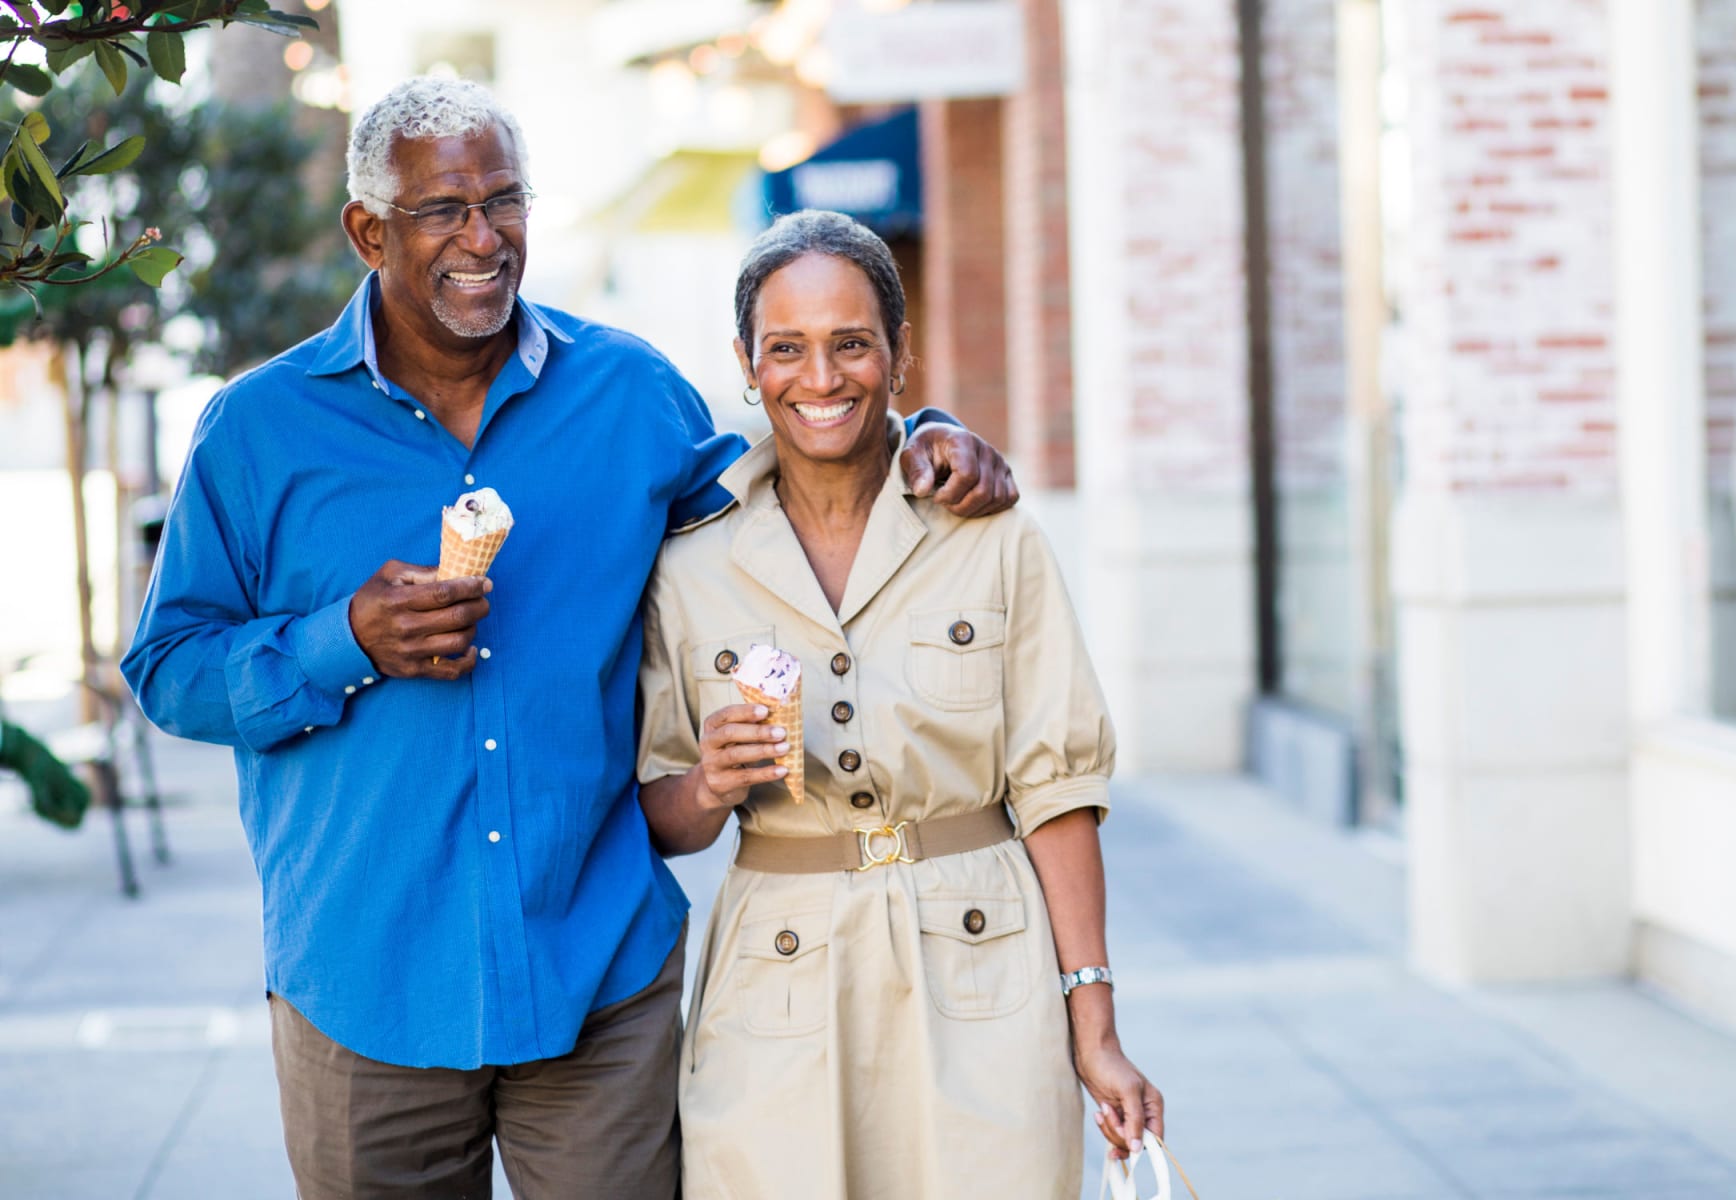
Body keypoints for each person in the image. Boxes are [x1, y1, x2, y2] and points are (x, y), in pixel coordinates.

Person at [120, 79, 1014, 1199]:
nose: (482, 239)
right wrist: (340, 639)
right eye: (442, 210)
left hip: (596, 973)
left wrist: (923, 430)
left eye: (504, 202)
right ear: (367, 231)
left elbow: (787, 488)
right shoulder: (258, 428)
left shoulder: (628, 394)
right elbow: (167, 670)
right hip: (366, 981)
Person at [637, 209, 1162, 1198]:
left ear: (900, 354)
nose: (820, 378)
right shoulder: (691, 562)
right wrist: (709, 781)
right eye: (785, 349)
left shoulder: (989, 536)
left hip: (985, 965)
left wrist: (1095, 1029)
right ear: (746, 364)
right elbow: (662, 812)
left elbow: (1057, 789)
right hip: (776, 974)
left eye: (850, 345)